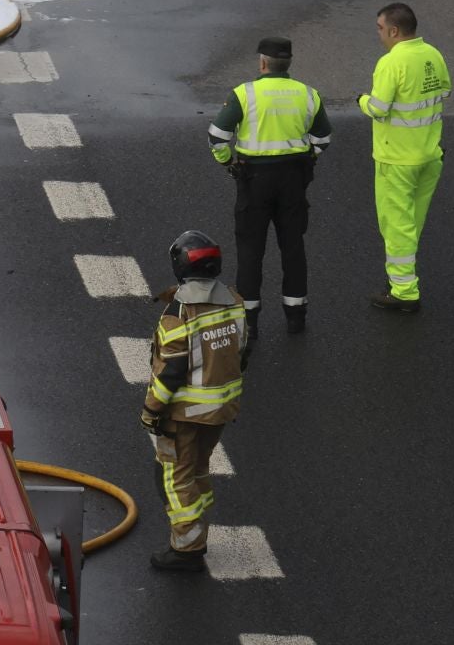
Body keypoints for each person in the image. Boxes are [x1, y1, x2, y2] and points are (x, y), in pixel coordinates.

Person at [142, 230, 249, 574]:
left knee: (175, 476)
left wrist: (151, 410)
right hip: (220, 410)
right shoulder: (234, 300)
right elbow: (243, 352)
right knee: (198, 468)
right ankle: (197, 528)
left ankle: (187, 549)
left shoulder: (179, 311)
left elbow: (171, 371)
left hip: (184, 414)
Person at [208, 37, 332, 337]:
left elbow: (217, 136)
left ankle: (249, 320)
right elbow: (322, 139)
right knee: (293, 246)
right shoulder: (308, 94)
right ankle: (295, 316)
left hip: (254, 180)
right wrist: (306, 162)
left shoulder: (244, 94)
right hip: (293, 179)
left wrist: (228, 164)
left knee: (251, 249)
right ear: (288, 63)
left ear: (262, 62)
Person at [359, 2, 451, 313]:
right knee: (413, 221)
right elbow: (443, 93)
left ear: (394, 30)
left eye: (380, 29)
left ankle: (403, 291)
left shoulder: (391, 62)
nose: (379, 34)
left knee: (396, 224)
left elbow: (378, 107)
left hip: (397, 159)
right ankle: (401, 277)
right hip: (429, 155)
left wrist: (361, 100)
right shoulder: (433, 55)